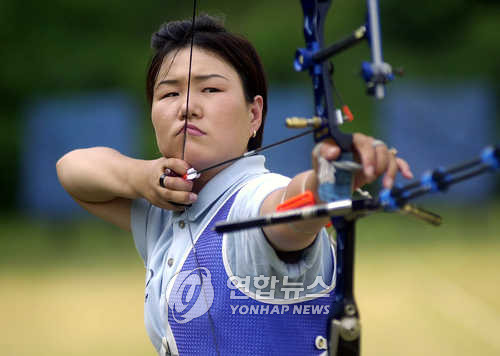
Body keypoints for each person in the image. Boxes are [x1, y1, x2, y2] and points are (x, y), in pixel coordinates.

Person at [56, 14, 413, 356]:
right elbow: (71, 169)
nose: (187, 107)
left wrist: (329, 180)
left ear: (254, 115)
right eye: (169, 95)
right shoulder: (163, 209)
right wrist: (141, 177)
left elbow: (293, 209)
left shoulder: (254, 198)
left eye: (210, 89)